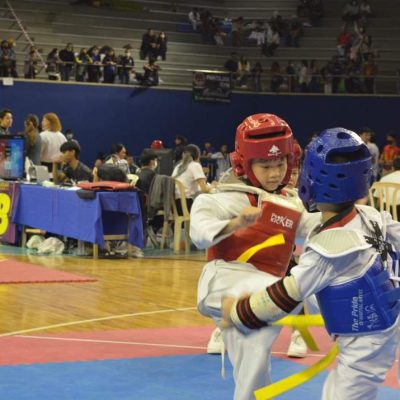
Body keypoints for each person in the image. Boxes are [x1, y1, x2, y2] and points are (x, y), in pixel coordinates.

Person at [222, 127, 400, 400]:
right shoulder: (370, 215)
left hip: (366, 342)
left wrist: (237, 313)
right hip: (387, 323)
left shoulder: (329, 248)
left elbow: (287, 294)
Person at [191, 114, 319, 400]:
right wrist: (235, 224)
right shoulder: (224, 197)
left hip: (262, 300)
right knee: (294, 288)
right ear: (244, 164)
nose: (274, 173)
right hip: (224, 283)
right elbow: (199, 230)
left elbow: (315, 227)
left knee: (256, 360)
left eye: (280, 164)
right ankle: (235, 318)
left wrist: (351, 215)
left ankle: (234, 325)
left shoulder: (290, 203)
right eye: (265, 165)